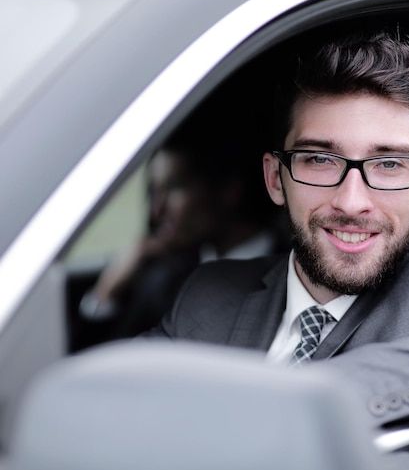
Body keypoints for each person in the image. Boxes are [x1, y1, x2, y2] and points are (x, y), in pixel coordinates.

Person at [144, 30, 409, 427]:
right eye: (319, 159)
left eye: (390, 164)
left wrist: (307, 400)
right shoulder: (208, 294)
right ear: (276, 178)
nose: (352, 202)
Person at [79, 130, 283, 342]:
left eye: (174, 187)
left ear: (228, 189)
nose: (157, 210)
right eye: (154, 190)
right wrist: (105, 292)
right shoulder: (163, 279)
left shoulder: (295, 269)